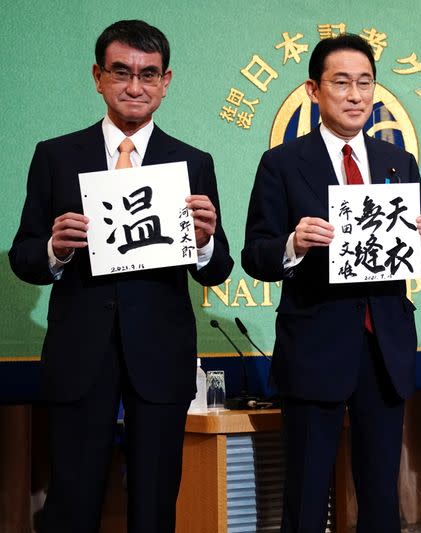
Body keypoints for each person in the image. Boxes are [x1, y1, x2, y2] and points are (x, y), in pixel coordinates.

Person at [8, 20, 233, 533]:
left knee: (155, 502)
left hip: (161, 355)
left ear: (166, 81)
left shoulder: (194, 162)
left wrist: (204, 244)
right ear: (98, 77)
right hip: (79, 352)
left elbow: (219, 268)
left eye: (149, 74)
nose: (136, 86)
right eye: (122, 72)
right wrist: (53, 250)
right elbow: (23, 258)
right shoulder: (56, 155)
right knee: (72, 500)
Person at [241, 34, 421, 533]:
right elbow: (255, 254)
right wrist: (293, 243)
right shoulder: (283, 164)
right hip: (315, 343)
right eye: (341, 83)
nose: (356, 95)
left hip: (384, 347)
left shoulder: (399, 162)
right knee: (308, 490)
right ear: (314, 90)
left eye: (365, 83)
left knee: (381, 493)